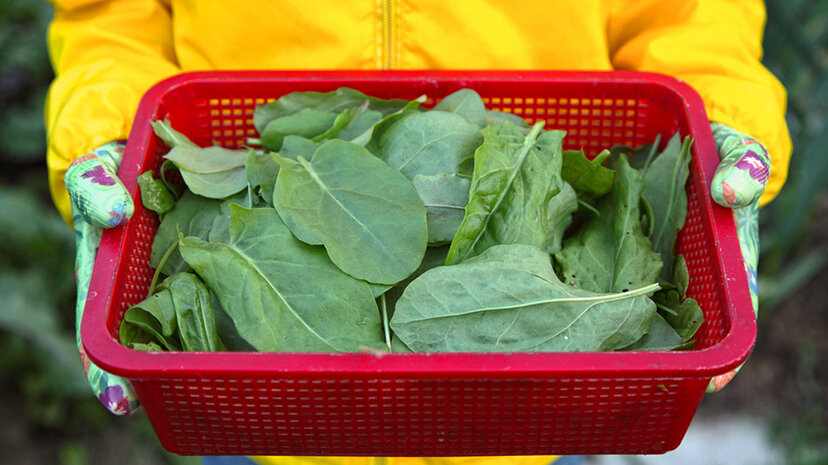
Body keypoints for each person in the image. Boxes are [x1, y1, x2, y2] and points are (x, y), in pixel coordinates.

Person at [45, 1, 791, 464]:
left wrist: (719, 107)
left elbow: (692, 13)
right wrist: (111, 130)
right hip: (258, 400)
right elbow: (110, 15)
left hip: (527, 412)